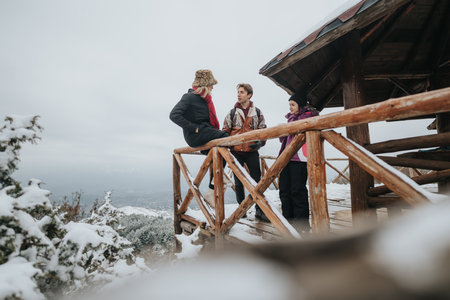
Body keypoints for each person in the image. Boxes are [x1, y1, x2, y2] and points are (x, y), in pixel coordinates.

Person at [169, 69, 228, 207]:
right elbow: (174, 115)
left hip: (205, 132)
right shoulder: (189, 97)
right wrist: (193, 127)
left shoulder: (205, 100)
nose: (213, 87)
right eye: (211, 85)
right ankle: (215, 185)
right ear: (205, 85)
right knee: (225, 139)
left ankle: (213, 188)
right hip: (195, 135)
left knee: (218, 152)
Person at [222, 83, 268, 221]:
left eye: (242, 92)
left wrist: (261, 143)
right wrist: (229, 145)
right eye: (238, 92)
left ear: (249, 95)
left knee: (257, 181)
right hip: (236, 152)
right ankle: (241, 211)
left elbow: (264, 130)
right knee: (238, 182)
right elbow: (225, 131)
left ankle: (259, 210)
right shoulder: (232, 112)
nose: (238, 94)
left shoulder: (258, 112)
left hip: (251, 151)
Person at [278, 91, 319, 231]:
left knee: (297, 190)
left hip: (299, 158)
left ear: (300, 105)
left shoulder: (308, 117)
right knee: (284, 189)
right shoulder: (291, 118)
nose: (290, 107)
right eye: (289, 104)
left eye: (293, 104)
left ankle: (301, 224)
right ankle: (288, 221)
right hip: (286, 157)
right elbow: (286, 139)